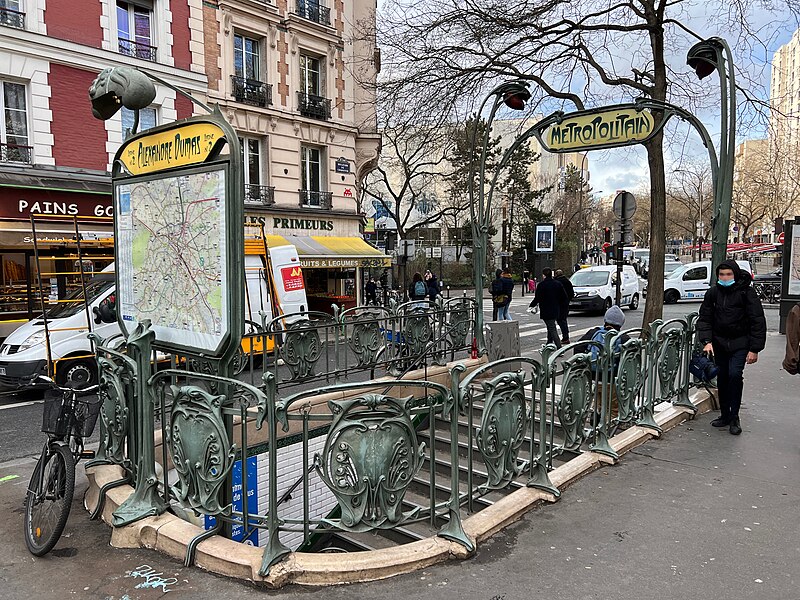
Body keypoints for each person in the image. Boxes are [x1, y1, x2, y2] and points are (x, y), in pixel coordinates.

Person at [696, 260, 766, 436]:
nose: (725, 278)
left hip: (740, 342)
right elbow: (705, 318)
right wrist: (707, 341)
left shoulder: (746, 293)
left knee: (735, 375)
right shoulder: (713, 293)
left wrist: (754, 349)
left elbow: (757, 321)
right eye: (721, 275)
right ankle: (725, 415)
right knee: (723, 377)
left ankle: (734, 416)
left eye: (728, 274)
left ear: (734, 274)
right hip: (719, 343)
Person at [528, 268, 567, 348]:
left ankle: (559, 347)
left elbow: (537, 297)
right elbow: (564, 297)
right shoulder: (557, 284)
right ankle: (549, 343)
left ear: (544, 275)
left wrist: (532, 305)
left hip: (546, 309)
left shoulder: (541, 285)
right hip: (556, 308)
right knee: (550, 326)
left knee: (552, 328)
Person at [554, 269, 575, 344]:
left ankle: (565, 337)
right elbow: (571, 293)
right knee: (563, 320)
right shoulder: (567, 281)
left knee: (560, 321)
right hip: (565, 303)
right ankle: (566, 336)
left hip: (559, 304)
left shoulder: (557, 282)